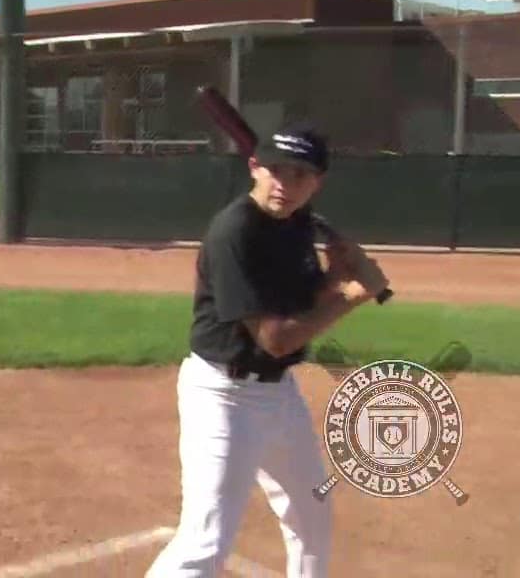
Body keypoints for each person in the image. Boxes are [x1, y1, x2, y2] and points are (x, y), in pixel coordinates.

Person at [146, 123, 389, 578]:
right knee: (207, 538)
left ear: (318, 181)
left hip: (279, 395)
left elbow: (301, 302)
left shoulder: (298, 223)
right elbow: (276, 338)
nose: (286, 184)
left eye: (300, 175)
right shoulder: (233, 232)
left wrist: (335, 276)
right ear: (254, 167)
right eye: (276, 170)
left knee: (311, 516)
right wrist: (354, 294)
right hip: (223, 396)